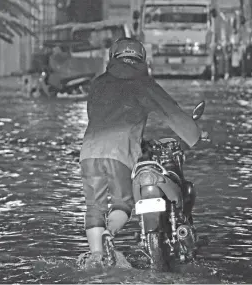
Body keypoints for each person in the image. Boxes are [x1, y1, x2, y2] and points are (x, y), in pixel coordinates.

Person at [78, 37, 208, 269]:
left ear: (113, 56)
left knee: (94, 207)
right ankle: (110, 233)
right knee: (122, 204)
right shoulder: (143, 83)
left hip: (89, 153)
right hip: (120, 153)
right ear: (142, 59)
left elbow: (96, 115)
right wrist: (195, 133)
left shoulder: (98, 83)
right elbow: (171, 112)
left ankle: (97, 255)